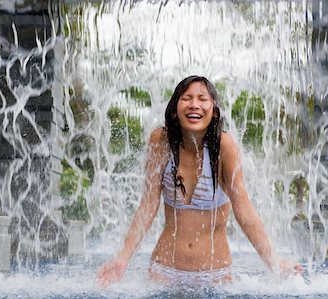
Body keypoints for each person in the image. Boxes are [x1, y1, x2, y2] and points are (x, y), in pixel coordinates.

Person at [97, 76, 302, 287]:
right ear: (175, 109)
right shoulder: (161, 141)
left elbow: (245, 212)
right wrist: (122, 258)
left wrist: (274, 262)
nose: (194, 104)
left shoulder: (224, 147)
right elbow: (148, 204)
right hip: (164, 270)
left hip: (214, 275)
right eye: (186, 98)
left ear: (214, 110)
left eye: (202, 98)